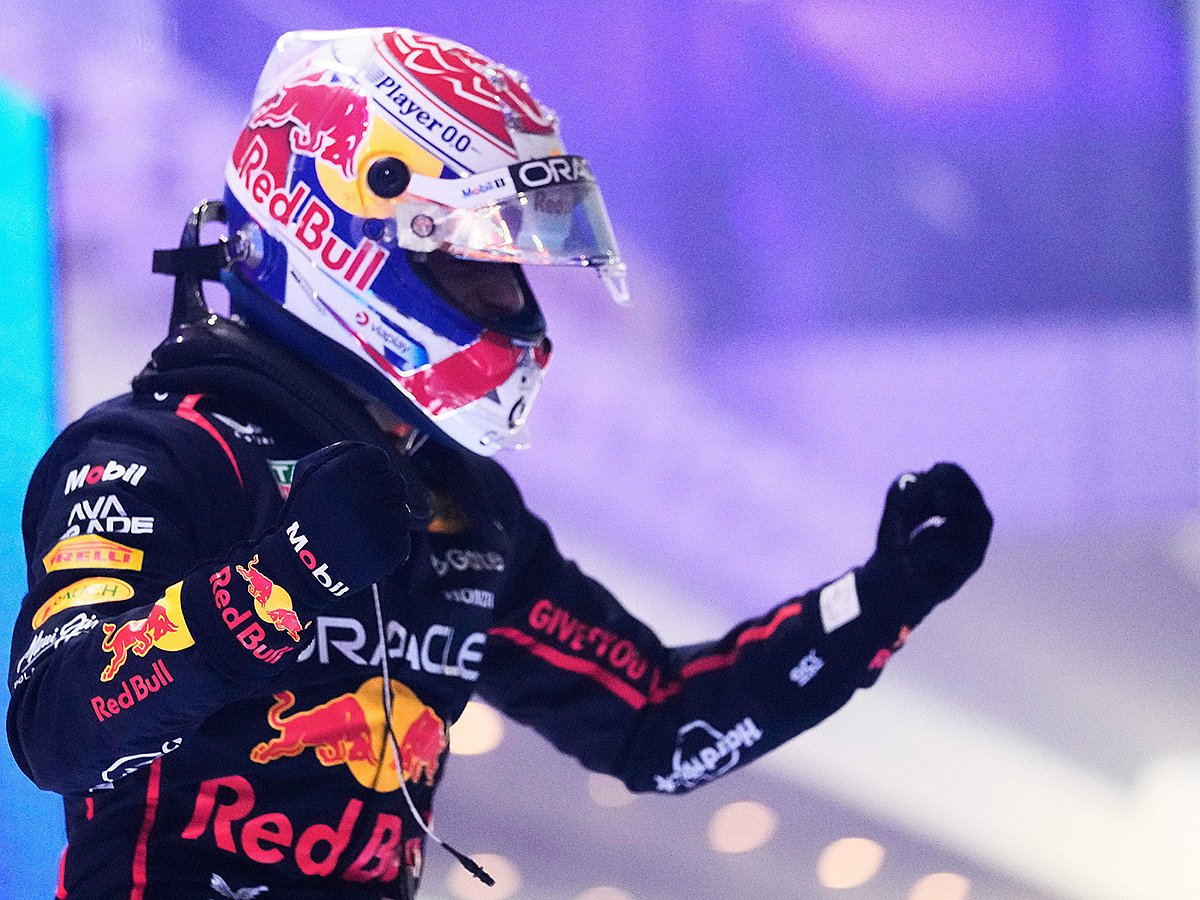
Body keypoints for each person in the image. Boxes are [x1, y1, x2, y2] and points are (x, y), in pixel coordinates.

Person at [6, 26, 993, 900]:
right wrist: (287, 574)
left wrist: (878, 604)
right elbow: (58, 726)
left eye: (509, 269)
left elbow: (656, 723)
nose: (510, 300)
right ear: (344, 231)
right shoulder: (153, 455)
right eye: (477, 264)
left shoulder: (460, 509)